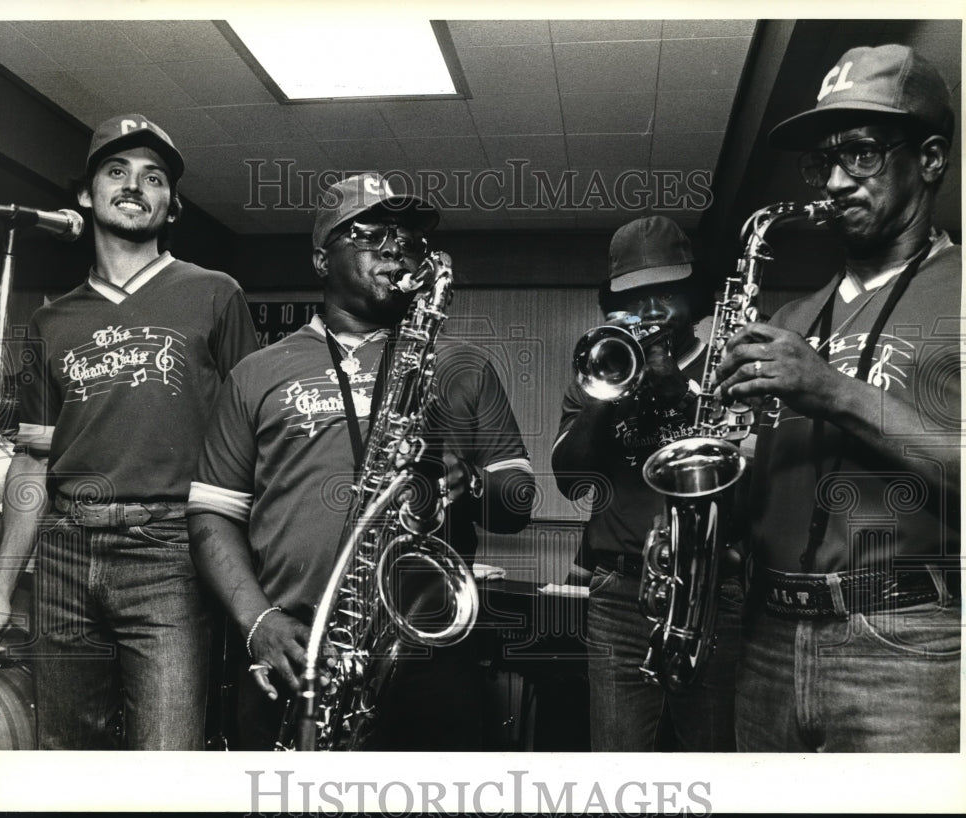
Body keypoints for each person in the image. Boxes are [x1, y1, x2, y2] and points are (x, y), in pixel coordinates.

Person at [187, 172, 534, 750]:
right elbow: (210, 516)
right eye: (371, 233)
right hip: (299, 650)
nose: (396, 247)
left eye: (409, 238)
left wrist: (469, 481)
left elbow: (518, 500)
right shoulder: (256, 373)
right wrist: (259, 624)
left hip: (428, 646)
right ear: (323, 260)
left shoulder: (463, 364)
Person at [0, 114, 259, 750]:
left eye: (153, 178)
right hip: (65, 553)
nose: (135, 186)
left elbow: (253, 440)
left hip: (170, 555)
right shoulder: (51, 321)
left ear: (172, 205)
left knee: (165, 761)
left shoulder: (215, 295)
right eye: (117, 171)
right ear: (85, 194)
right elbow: (31, 464)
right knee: (67, 758)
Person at [716, 44, 960, 752]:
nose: (834, 182)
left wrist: (830, 390)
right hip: (766, 636)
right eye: (822, 162)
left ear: (933, 159)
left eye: (862, 154)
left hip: (910, 646)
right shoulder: (789, 321)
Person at [552, 215, 742, 751]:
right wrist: (602, 396)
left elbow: (736, 478)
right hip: (619, 595)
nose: (651, 311)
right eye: (636, 298)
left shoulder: (726, 364)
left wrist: (674, 387)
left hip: (710, 592)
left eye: (666, 293)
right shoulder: (601, 368)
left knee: (710, 760)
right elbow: (571, 479)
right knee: (617, 765)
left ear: (692, 293)